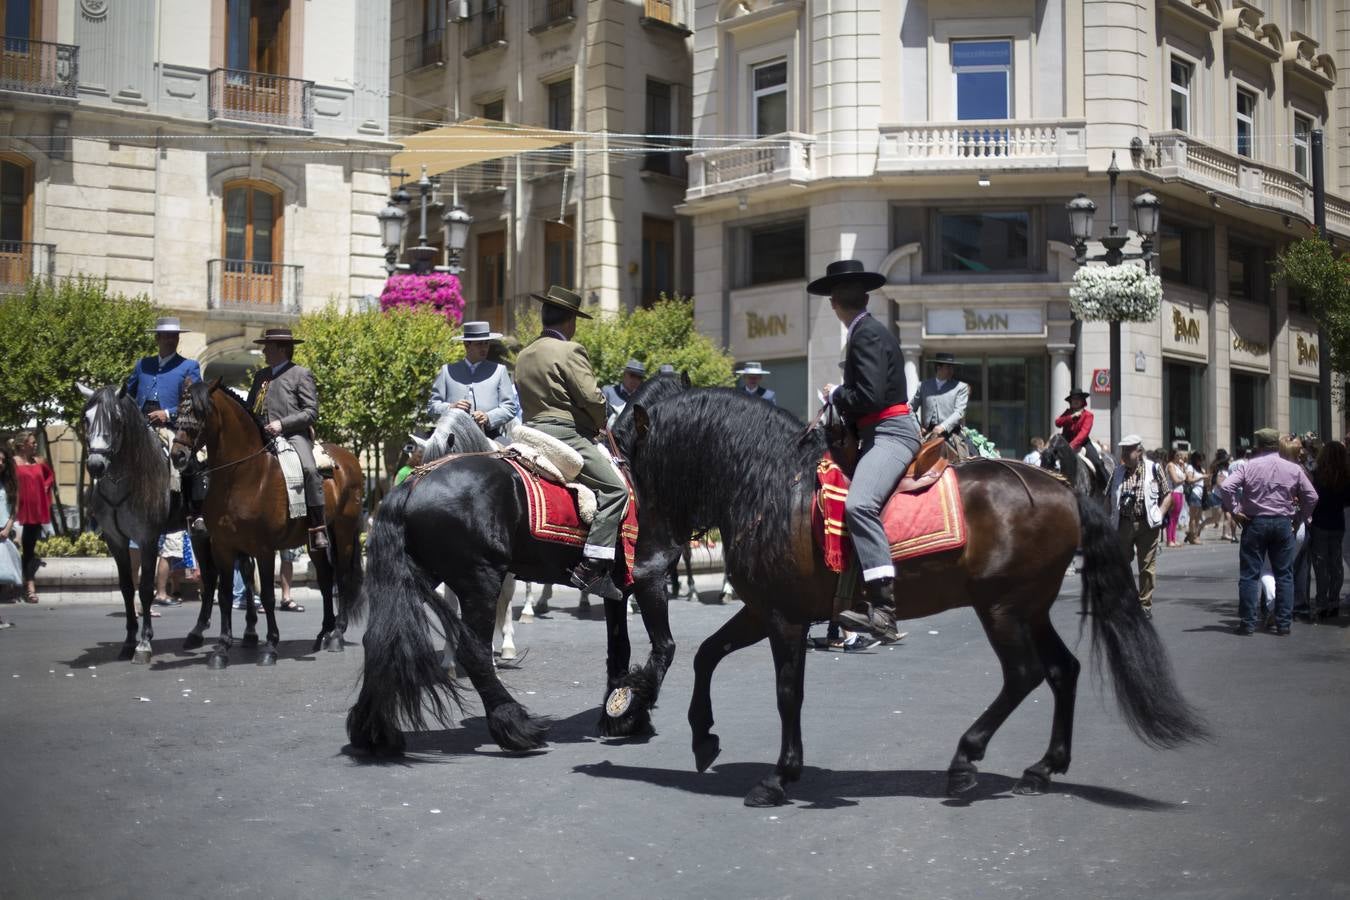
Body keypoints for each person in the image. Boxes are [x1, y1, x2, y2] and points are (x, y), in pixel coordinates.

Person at [811, 259, 918, 641]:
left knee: (859, 504)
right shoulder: (867, 331)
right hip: (875, 434)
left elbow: (870, 395)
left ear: (833, 303)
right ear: (864, 296)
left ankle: (884, 610)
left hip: (891, 433)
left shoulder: (865, 334)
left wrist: (836, 393)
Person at [514, 285, 626, 602]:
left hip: (529, 432)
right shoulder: (570, 350)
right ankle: (592, 567)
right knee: (615, 490)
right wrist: (599, 421)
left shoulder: (524, 354)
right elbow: (591, 397)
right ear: (570, 322)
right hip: (564, 435)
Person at [1216, 428, 1318, 636]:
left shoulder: (1248, 466)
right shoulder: (1293, 468)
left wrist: (1236, 510)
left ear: (1259, 446)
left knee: (1250, 575)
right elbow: (1312, 496)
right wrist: (1301, 518)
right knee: (1284, 574)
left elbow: (1226, 487)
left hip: (1255, 522)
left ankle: (1247, 623)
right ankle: (1283, 623)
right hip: (1282, 523)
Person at [244, 328, 329, 553]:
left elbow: (311, 412)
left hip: (292, 435)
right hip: (261, 435)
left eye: (268, 347)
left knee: (310, 469)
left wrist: (282, 424)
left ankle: (317, 526)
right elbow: (250, 407)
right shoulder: (261, 376)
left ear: (282, 349)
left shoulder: (300, 374)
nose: (263, 351)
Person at [125, 316, 205, 531]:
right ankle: (111, 514)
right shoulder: (143, 365)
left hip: (172, 428)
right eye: (167, 336)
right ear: (157, 338)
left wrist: (168, 414)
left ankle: (195, 512)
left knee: (191, 461)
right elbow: (128, 395)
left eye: (175, 336)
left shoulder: (189, 366)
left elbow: (195, 403)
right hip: (141, 428)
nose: (171, 340)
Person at [1108, 435, 1172, 620]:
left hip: (1147, 524)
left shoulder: (1154, 468)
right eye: (1123, 450)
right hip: (1123, 524)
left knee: (1146, 566)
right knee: (1120, 564)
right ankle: (1126, 599)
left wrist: (1159, 514)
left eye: (1129, 450)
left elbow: (1167, 495)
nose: (1125, 454)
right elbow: (1107, 499)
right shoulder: (1117, 472)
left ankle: (1145, 604)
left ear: (1140, 451)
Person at [428, 321, 519, 441]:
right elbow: (432, 407)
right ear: (467, 345)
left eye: (486, 343)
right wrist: (451, 407)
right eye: (479, 344)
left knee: (512, 456)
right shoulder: (447, 371)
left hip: (489, 435)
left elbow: (510, 407)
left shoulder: (499, 371)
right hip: (452, 437)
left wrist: (488, 417)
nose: (484, 348)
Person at [11, 431, 55, 604]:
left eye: (36, 442)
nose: (35, 445)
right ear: (23, 445)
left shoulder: (40, 461)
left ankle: (30, 587)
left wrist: (44, 487)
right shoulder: (13, 463)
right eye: (32, 442)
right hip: (15, 512)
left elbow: (50, 476)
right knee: (12, 547)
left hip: (35, 512)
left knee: (28, 550)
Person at [1309, 441, 1350, 620]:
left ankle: (1322, 602)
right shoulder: (1346, 475)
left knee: (1320, 565)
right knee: (1336, 565)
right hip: (1338, 523)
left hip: (1319, 523)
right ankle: (1334, 601)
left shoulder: (1317, 474)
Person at [910, 352, 970, 458]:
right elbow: (910, 408)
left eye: (952, 367)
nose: (951, 371)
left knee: (966, 461)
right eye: (948, 367)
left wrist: (942, 426)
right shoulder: (923, 386)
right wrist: (917, 428)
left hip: (952, 434)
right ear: (939, 368)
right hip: (927, 434)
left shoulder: (961, 387)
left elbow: (959, 412)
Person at [1054, 389, 1108, 486]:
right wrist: (1071, 417)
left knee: (1097, 463)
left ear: (1083, 401)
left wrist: (1071, 446)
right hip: (1065, 442)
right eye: (1073, 399)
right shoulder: (1067, 413)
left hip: (1083, 443)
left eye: (1078, 399)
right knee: (1049, 456)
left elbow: (1083, 433)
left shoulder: (1088, 415)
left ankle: (1107, 486)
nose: (1075, 401)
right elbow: (1057, 423)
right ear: (1070, 402)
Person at [0, 443, 22, 620]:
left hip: (3, 534)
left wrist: (7, 528)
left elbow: (14, 509)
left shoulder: (10, 484)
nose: (0, 463)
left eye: (2, 460)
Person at [603, 359, 646, 424]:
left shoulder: (642, 399)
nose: (635, 380)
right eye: (632, 375)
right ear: (624, 374)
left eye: (639, 377)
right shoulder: (608, 392)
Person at [1164, 448, 1187, 548]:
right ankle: (1169, 540)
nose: (1180, 457)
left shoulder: (1178, 466)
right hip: (1173, 492)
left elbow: (1183, 476)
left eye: (1181, 455)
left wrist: (1183, 467)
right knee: (1171, 517)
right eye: (1178, 455)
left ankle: (1174, 538)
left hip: (1180, 492)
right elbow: (1176, 480)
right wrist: (1184, 478)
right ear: (1174, 455)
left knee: (1176, 517)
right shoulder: (1170, 465)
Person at [1184, 450, 1208, 544]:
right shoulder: (1190, 467)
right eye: (1199, 459)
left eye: (1202, 459)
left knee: (1198, 517)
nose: (1201, 461)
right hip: (1194, 493)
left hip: (1201, 494)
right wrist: (1202, 477)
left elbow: (1204, 483)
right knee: (1193, 517)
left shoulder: (1201, 469)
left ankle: (1193, 535)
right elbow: (1189, 480)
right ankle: (1193, 537)